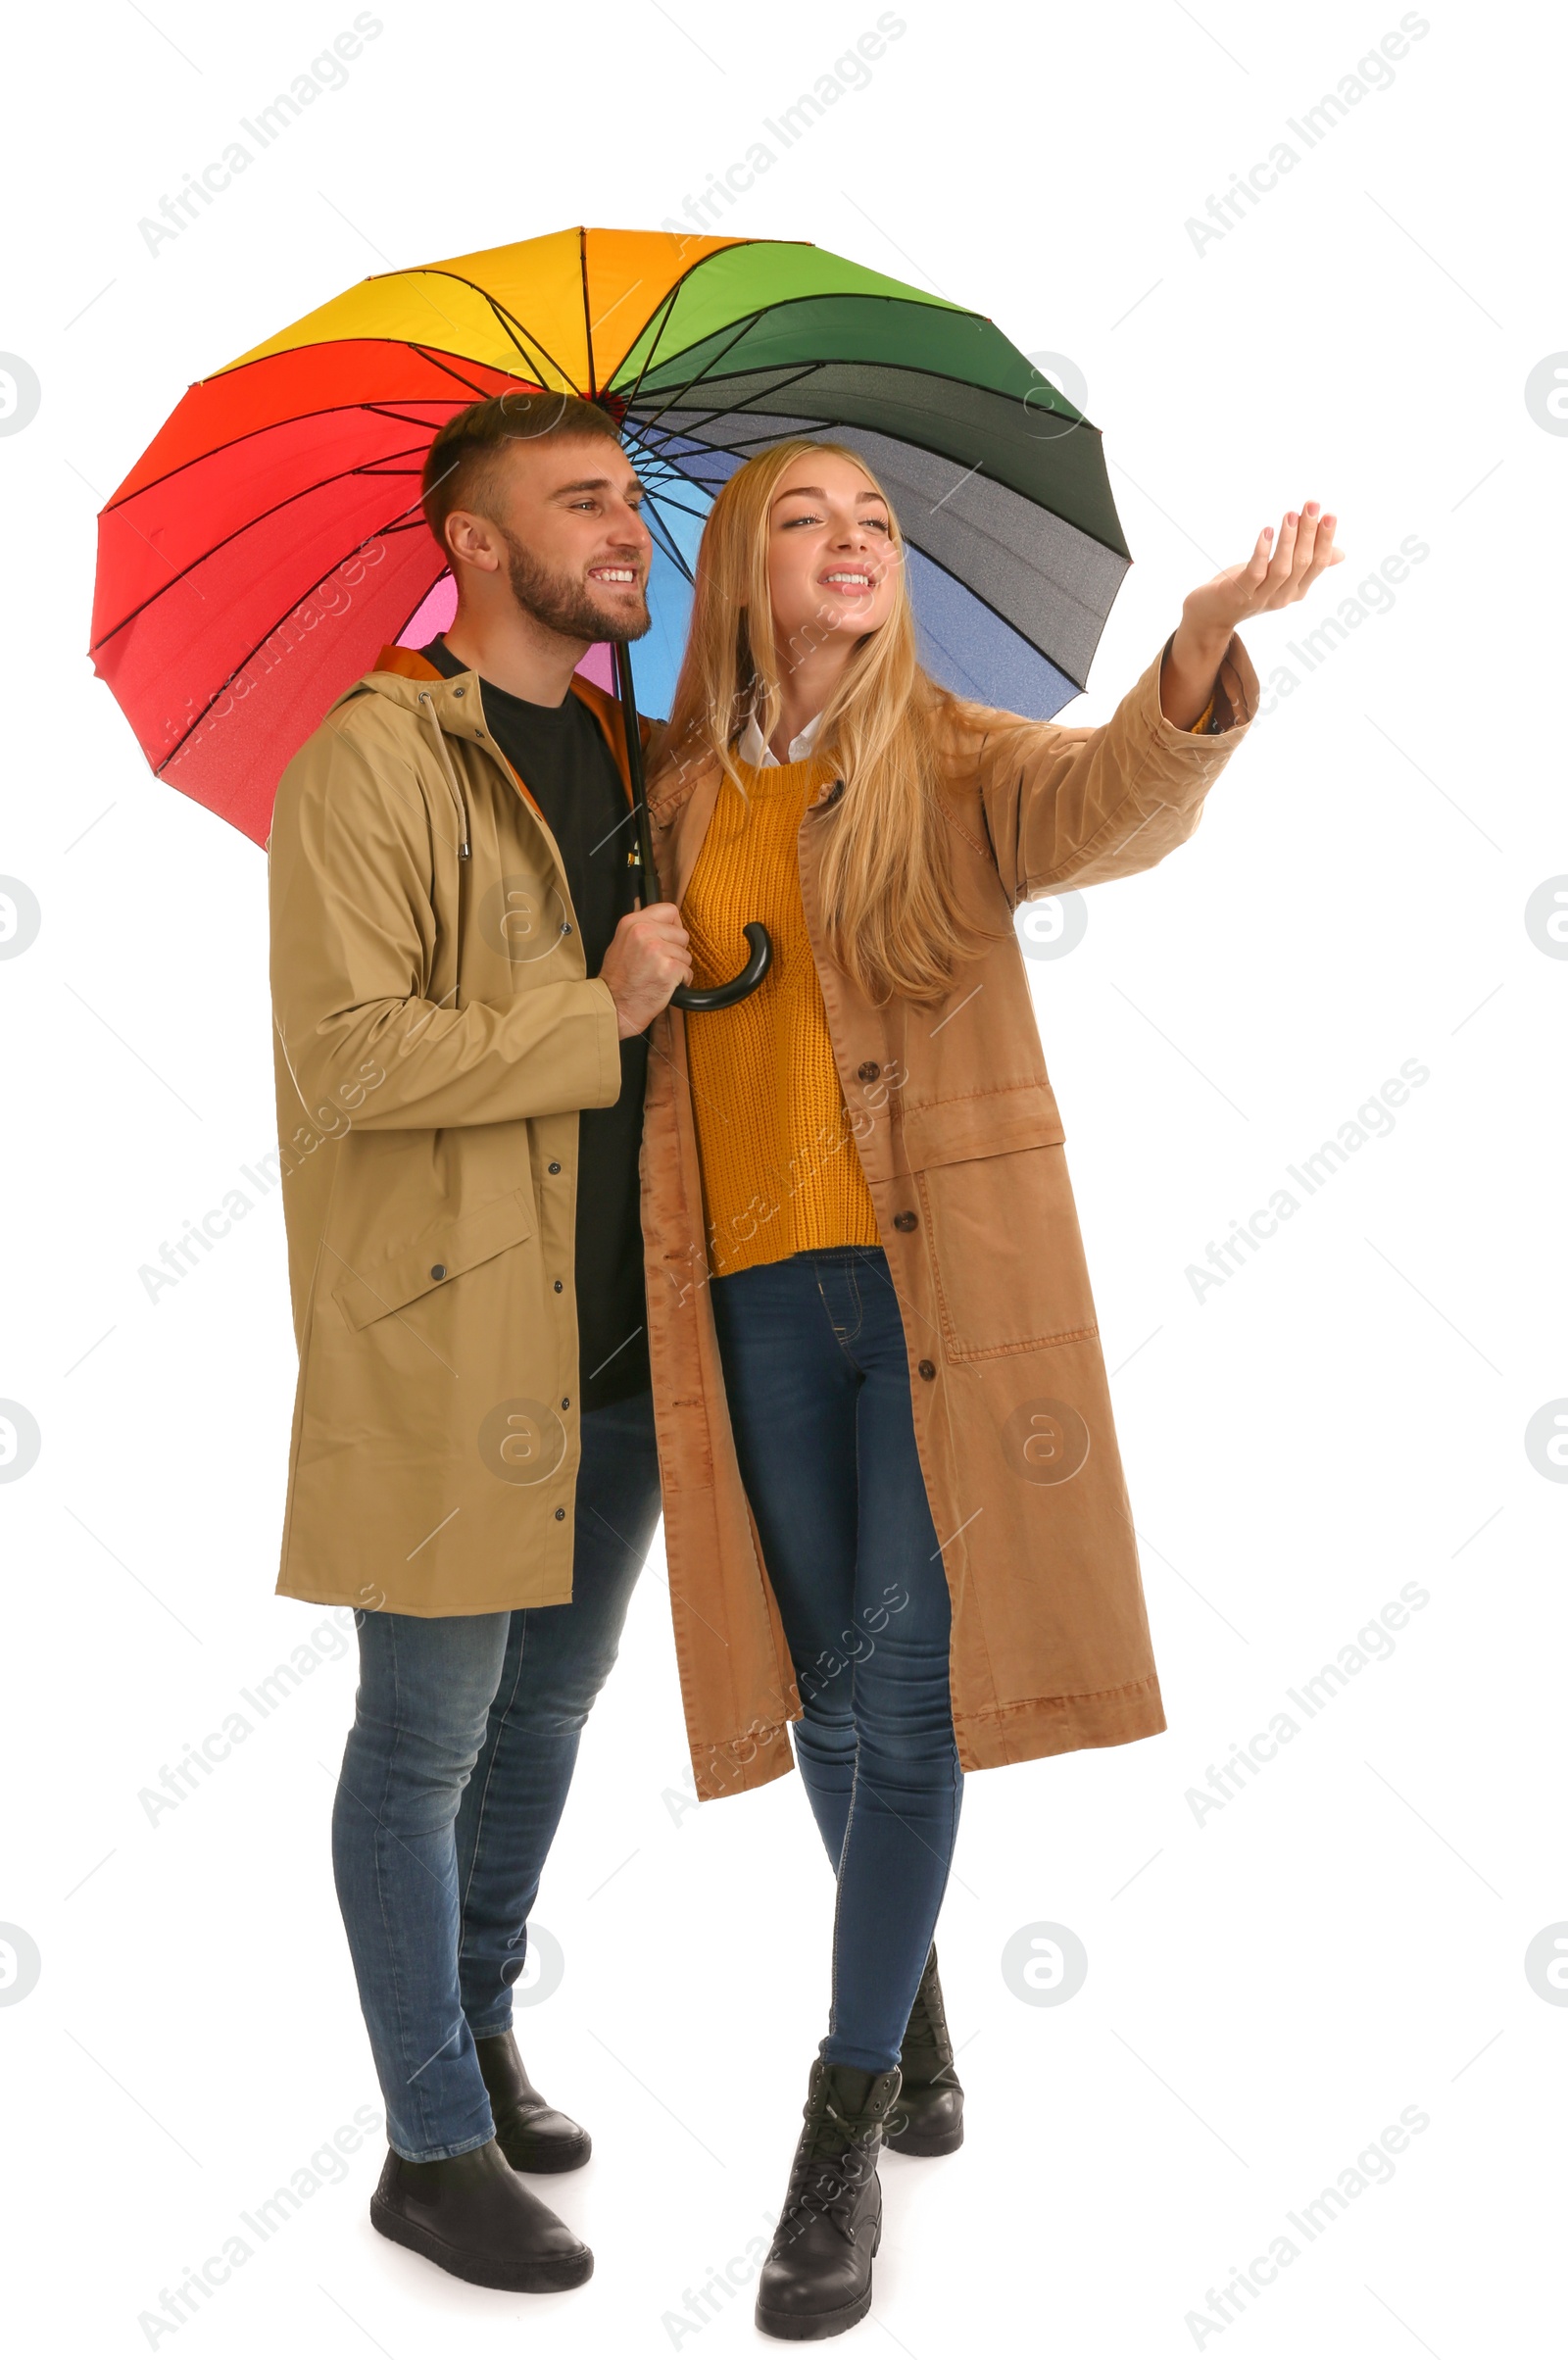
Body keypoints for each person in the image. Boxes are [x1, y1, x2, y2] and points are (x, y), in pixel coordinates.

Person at [639, 439, 1342, 2339]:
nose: (852, 542)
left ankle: (838, 2124)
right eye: (807, 519)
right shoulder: (673, 792)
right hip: (751, 1299)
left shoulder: (955, 760)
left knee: (909, 1695)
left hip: (929, 1292)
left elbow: (1109, 798)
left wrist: (1197, 645)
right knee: (821, 1707)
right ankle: (919, 2018)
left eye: (873, 521)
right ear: (740, 579)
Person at [266, 390, 691, 2293]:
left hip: (619, 1346)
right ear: (474, 541)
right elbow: (346, 1060)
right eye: (579, 500)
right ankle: (426, 2144)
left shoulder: (635, 747)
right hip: (450, 1349)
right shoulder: (371, 759)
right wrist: (593, 1004)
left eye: (630, 497)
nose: (624, 527)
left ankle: (480, 2028)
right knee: (421, 1745)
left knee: (547, 1718)